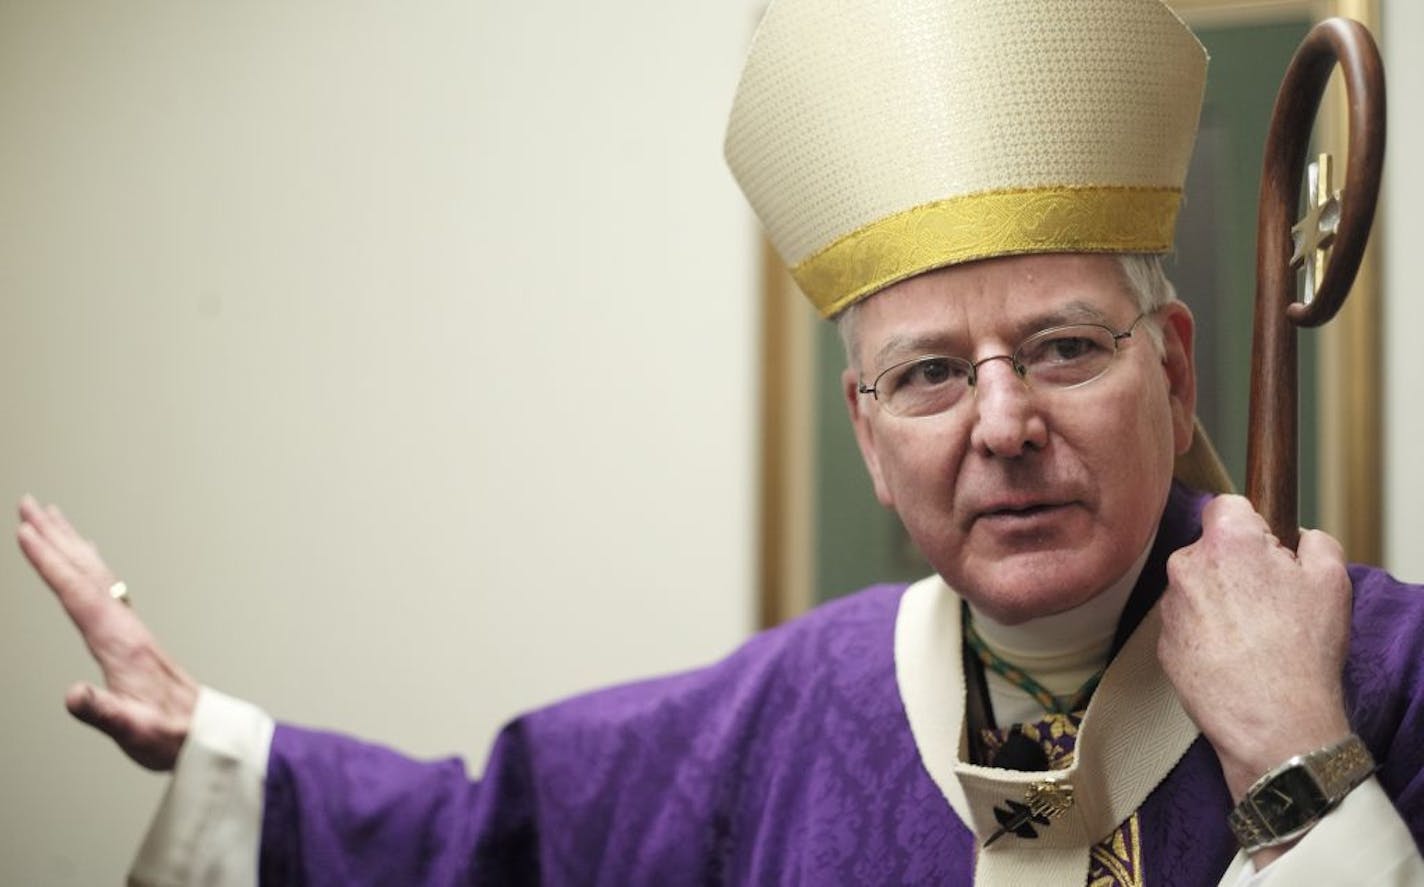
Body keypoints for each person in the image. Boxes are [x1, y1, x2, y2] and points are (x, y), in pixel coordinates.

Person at [16, 0, 1424, 884]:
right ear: (868, 436)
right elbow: (482, 838)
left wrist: (1300, 750)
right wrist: (220, 744)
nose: (1004, 424)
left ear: (1173, 373)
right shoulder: (795, 708)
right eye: (930, 375)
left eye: (1063, 348)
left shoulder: (1386, 673)